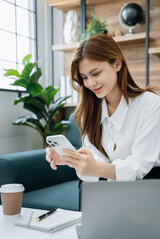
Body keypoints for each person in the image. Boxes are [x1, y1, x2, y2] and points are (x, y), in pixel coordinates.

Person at [46, 34, 160, 182]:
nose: (91, 83)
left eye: (96, 73)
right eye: (84, 77)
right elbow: (92, 166)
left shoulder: (151, 105)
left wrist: (97, 168)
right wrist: (72, 160)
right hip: (103, 191)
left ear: (117, 64)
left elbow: (140, 164)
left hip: (146, 188)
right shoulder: (88, 111)